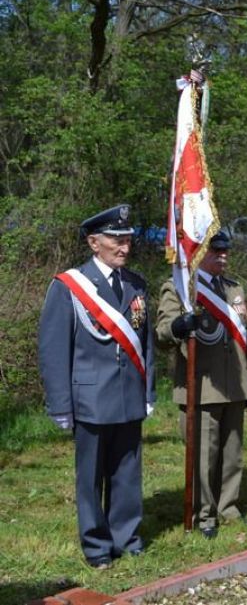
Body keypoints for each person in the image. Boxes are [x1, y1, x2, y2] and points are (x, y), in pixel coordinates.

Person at [38, 205, 155, 569]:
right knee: (90, 478)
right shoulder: (69, 287)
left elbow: (145, 343)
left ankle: (127, 537)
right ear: (93, 242)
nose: (124, 247)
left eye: (127, 240)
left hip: (128, 395)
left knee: (127, 473)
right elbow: (54, 350)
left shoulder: (136, 284)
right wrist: (61, 405)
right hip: (88, 397)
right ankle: (96, 546)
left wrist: (148, 391)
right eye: (116, 240)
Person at [156, 230, 247, 537]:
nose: (223, 256)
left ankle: (228, 506)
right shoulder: (180, 289)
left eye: (226, 251)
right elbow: (163, 332)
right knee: (203, 456)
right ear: (200, 253)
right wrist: (178, 326)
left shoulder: (233, 288)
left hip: (234, 383)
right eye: (216, 251)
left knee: (232, 452)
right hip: (201, 386)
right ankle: (203, 514)